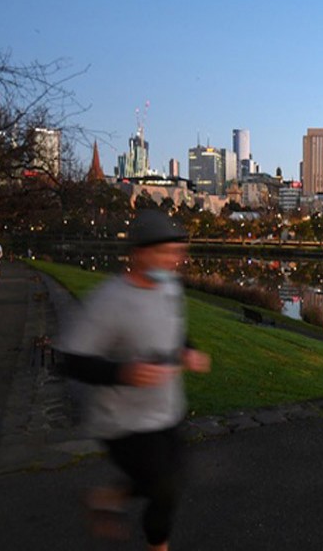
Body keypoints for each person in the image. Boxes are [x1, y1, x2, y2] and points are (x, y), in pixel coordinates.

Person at [57, 209, 211, 551]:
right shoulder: (109, 301)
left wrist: (188, 350)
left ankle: (106, 497)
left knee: (174, 478)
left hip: (165, 408)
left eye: (177, 253)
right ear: (140, 253)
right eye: (166, 252)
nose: (175, 261)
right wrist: (123, 372)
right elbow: (72, 360)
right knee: (164, 488)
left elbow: (175, 329)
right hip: (122, 420)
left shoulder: (170, 287)